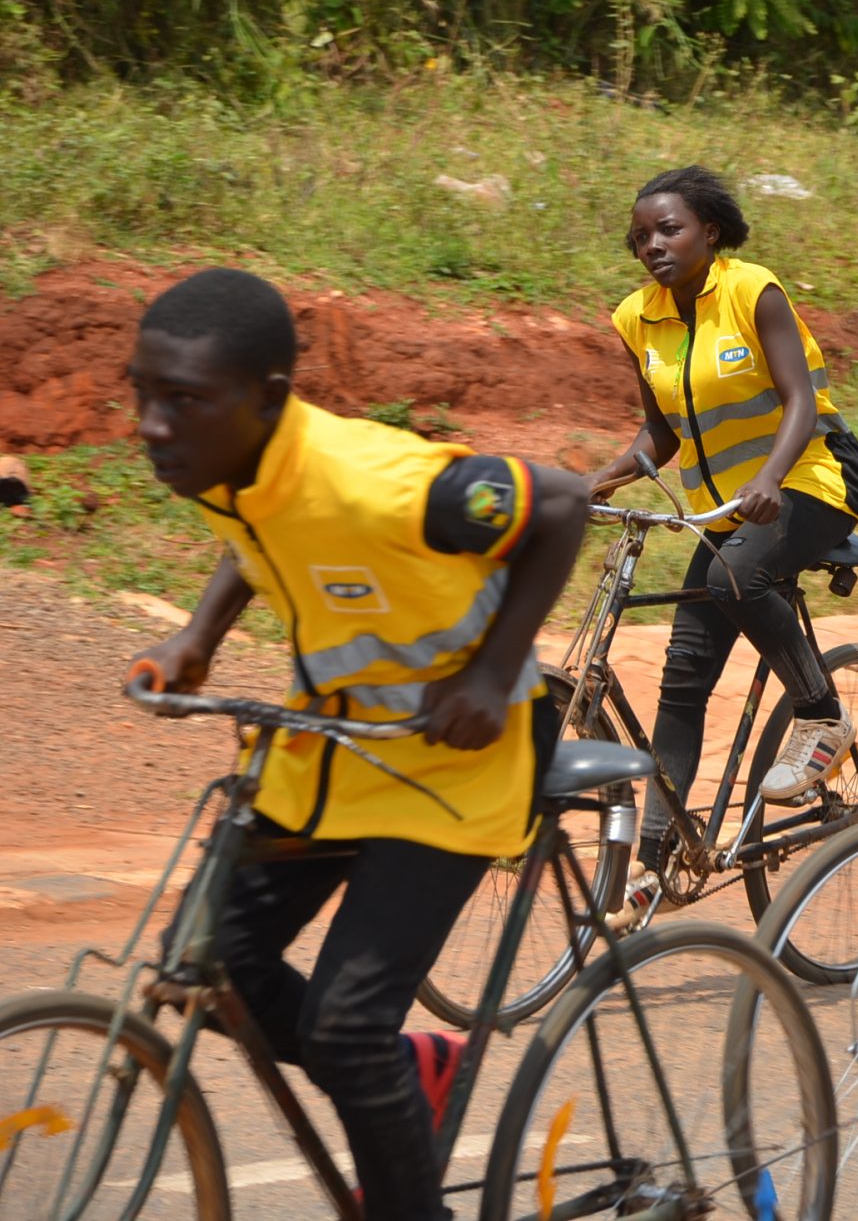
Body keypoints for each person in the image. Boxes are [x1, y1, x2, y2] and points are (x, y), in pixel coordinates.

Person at [127, 268, 587, 1219]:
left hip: (458, 763)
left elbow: (561, 504)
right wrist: (197, 639)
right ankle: (408, 1073)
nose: (153, 426)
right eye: (144, 395)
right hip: (337, 751)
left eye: (183, 401)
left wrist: (492, 673)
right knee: (210, 961)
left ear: (268, 400)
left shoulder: (381, 483)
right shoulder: (221, 462)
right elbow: (262, 534)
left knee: (345, 1031)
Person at [588, 166, 858, 923]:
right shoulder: (636, 318)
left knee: (731, 580)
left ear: (709, 233)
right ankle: (655, 862)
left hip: (812, 478)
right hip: (726, 510)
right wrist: (596, 482)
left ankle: (821, 716)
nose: (653, 245)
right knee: (682, 676)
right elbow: (661, 433)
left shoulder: (752, 291)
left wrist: (771, 478)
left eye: (669, 229)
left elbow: (800, 400)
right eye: (640, 236)